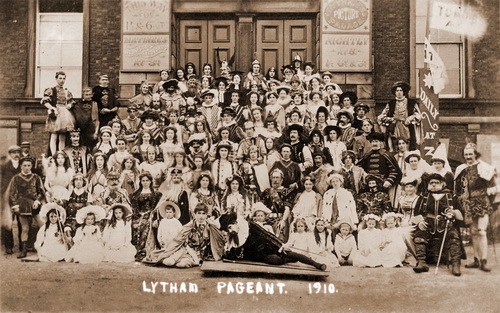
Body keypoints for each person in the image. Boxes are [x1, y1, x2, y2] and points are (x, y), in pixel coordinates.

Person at [220, 211, 327, 271]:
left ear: (235, 223)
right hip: (259, 256)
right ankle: (289, 260)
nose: (230, 230)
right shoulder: (233, 237)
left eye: (230, 227)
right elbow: (238, 252)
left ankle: (317, 264)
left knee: (290, 253)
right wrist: (228, 253)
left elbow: (267, 235)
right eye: (228, 229)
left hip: (268, 246)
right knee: (276, 260)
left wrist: (280, 245)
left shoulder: (249, 225)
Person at [455, 143, 498, 272]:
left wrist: (489, 201)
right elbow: (457, 188)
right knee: (473, 232)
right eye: (466, 154)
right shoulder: (461, 169)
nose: (468, 156)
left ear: (475, 154)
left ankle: (484, 260)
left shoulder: (484, 168)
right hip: (468, 203)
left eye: (470, 154)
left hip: (482, 202)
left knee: (481, 231)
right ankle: (476, 259)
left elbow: (492, 185)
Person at [412, 173, 464, 276]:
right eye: (431, 183)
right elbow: (416, 213)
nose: (434, 185)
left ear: (442, 184)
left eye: (437, 183)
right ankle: (422, 262)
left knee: (453, 236)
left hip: (445, 224)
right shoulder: (423, 196)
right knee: (419, 236)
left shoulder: (451, 196)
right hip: (428, 224)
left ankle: (455, 264)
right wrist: (420, 222)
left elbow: (460, 214)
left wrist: (452, 213)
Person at [146, 203, 225, 268]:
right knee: (171, 258)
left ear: (206, 215)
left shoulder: (210, 226)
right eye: (199, 213)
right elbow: (179, 239)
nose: (201, 216)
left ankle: (181, 261)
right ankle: (170, 259)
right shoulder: (189, 226)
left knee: (182, 264)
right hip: (187, 250)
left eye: (203, 214)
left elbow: (219, 239)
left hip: (202, 253)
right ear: (195, 214)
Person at [9, 157, 45, 258]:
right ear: (21, 166)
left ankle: (44, 247)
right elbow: (12, 193)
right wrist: (15, 204)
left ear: (32, 166)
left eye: (29, 165)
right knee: (25, 228)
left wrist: (37, 201)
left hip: (34, 204)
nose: (27, 168)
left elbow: (41, 191)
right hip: (22, 205)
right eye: (25, 165)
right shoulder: (16, 178)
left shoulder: (36, 177)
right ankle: (24, 250)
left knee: (42, 226)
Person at [358, 132, 402, 203]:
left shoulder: (387, 155)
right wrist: (364, 174)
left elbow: (394, 170)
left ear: (381, 142)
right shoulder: (367, 155)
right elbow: (359, 167)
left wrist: (389, 181)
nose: (374, 143)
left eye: (376, 141)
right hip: (369, 185)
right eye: (373, 141)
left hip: (383, 185)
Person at [378, 81, 422, 151]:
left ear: (404, 92)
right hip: (395, 128)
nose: (399, 92)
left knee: (408, 144)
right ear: (395, 92)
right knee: (394, 143)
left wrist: (409, 118)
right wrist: (392, 119)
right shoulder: (391, 104)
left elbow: (418, 115)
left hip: (407, 128)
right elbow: (381, 117)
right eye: (397, 91)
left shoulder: (411, 103)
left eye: (401, 90)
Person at [41, 71, 76, 155]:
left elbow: (72, 102)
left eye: (64, 78)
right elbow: (44, 101)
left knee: (62, 137)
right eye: (60, 78)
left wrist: (70, 105)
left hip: (65, 114)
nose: (62, 80)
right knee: (54, 135)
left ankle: (61, 155)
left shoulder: (67, 91)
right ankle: (54, 155)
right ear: (56, 79)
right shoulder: (51, 90)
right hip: (56, 113)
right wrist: (52, 108)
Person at [130, 172, 162, 261]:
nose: (145, 182)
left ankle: (144, 251)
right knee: (135, 225)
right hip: (138, 215)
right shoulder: (136, 194)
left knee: (146, 224)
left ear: (151, 181)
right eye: (143, 181)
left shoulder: (156, 194)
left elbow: (157, 208)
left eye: (147, 180)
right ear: (140, 182)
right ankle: (136, 250)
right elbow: (134, 207)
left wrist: (152, 216)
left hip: (150, 215)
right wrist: (137, 215)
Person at [260, 169, 296, 242]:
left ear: (282, 179)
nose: (275, 180)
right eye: (273, 178)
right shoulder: (266, 191)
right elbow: (261, 207)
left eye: (277, 177)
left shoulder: (287, 191)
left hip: (279, 220)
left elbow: (287, 208)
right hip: (266, 220)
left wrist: (283, 220)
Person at [1, 145, 22, 255]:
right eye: (13, 152)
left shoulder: (23, 165)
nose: (16, 154)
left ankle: (23, 246)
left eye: (18, 152)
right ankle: (8, 246)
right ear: (10, 154)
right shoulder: (4, 166)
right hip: (7, 196)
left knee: (22, 221)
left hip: (20, 196)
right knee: (8, 221)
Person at [65, 173, 93, 238]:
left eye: (80, 180)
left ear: (83, 182)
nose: (78, 181)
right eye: (76, 180)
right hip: (70, 221)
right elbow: (63, 205)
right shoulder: (68, 194)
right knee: (68, 234)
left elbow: (89, 210)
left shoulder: (88, 195)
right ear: (73, 182)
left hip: (82, 222)